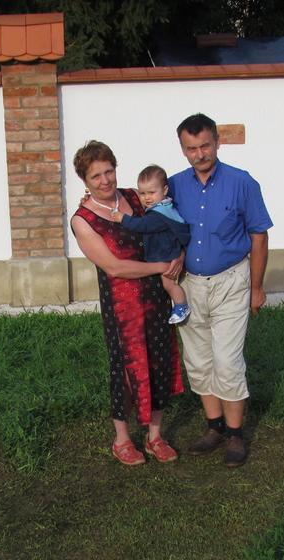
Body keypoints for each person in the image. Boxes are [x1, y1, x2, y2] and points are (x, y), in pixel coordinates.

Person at [70, 140, 185, 466]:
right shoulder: (83, 219)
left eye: (109, 171)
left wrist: (178, 252)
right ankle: (121, 439)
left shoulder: (136, 197)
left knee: (159, 361)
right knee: (125, 370)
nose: (105, 180)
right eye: (96, 176)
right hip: (124, 307)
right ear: (85, 181)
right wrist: (160, 267)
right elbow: (114, 267)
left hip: (157, 298)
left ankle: (154, 437)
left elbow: (168, 223)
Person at [168, 114, 273, 468]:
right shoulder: (173, 186)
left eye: (205, 146)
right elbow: (147, 213)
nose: (200, 154)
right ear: (183, 150)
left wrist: (256, 287)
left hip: (231, 281)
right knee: (198, 361)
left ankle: (235, 434)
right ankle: (213, 428)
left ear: (217, 143)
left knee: (227, 362)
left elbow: (259, 235)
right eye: (192, 148)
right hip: (188, 286)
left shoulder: (242, 183)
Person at [111, 165, 192, 324]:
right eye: (142, 193)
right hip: (167, 251)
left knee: (168, 284)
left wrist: (123, 218)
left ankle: (182, 306)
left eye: (151, 192)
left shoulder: (159, 215)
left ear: (165, 189)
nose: (147, 197)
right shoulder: (163, 207)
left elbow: (142, 226)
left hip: (167, 255)